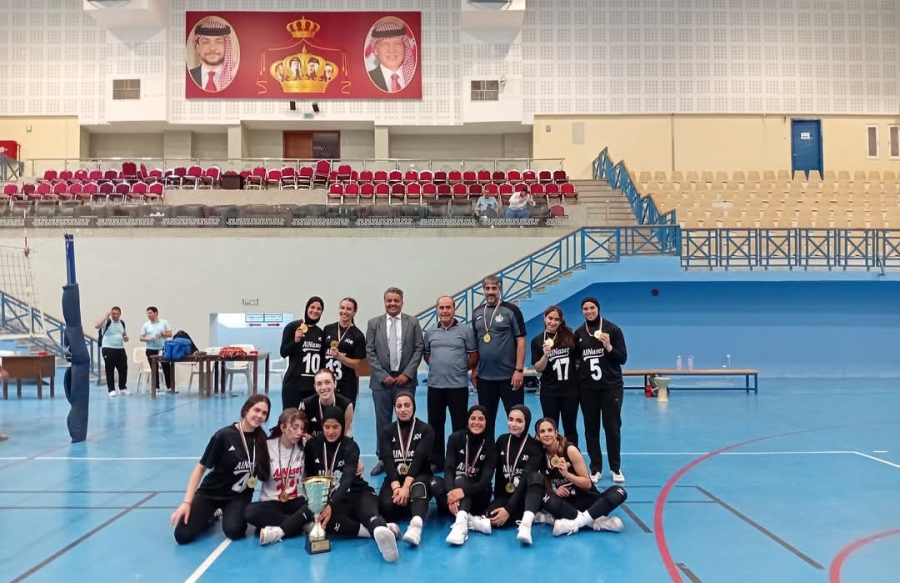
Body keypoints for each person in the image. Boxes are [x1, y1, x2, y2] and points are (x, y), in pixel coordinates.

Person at [171, 395, 272, 544]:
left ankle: (225, 513)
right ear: (246, 410)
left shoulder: (263, 440)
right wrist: (186, 502)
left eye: (264, 413)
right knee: (182, 535)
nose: (259, 416)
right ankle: (211, 515)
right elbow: (200, 468)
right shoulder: (224, 436)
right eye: (256, 410)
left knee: (234, 531)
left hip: (238, 497)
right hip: (211, 493)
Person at [304, 406, 401, 562]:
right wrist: (324, 503)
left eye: (335, 427)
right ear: (322, 426)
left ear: (343, 426)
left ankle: (380, 531)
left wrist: (331, 503)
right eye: (327, 427)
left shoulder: (350, 446)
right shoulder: (312, 446)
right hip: (333, 501)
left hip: (359, 493)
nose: (330, 431)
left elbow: (347, 478)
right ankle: (376, 531)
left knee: (367, 512)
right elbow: (309, 477)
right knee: (321, 520)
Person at [365, 287, 424, 476]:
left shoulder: (413, 322)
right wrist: (383, 375)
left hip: (405, 381)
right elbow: (370, 351)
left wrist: (407, 373)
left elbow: (419, 348)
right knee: (382, 422)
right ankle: (383, 459)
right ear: (385, 302)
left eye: (396, 300)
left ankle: (407, 456)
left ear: (402, 302)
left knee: (406, 419)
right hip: (381, 383)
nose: (392, 303)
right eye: (389, 300)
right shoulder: (374, 323)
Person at [534, 417, 627, 536]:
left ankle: (574, 523)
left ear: (556, 432)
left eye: (550, 430)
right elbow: (546, 485)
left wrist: (567, 475)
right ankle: (594, 522)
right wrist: (555, 491)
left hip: (588, 499)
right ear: (538, 436)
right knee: (547, 499)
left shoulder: (570, 450)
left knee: (619, 492)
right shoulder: (542, 456)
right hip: (568, 503)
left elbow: (587, 484)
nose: (547, 434)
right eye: (542, 431)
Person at [377, 392, 441, 546]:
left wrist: (406, 487)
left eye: (407, 405)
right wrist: (396, 487)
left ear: (413, 407)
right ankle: (408, 506)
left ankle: (415, 527)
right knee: (387, 507)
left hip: (419, 475)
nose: (403, 409)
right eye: (399, 406)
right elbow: (387, 461)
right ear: (395, 409)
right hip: (395, 479)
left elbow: (418, 459)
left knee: (418, 489)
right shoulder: (386, 431)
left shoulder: (425, 430)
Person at [575, 297, 627, 484]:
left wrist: (608, 346)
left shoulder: (613, 330)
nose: (589, 311)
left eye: (592, 308)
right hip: (588, 389)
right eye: (585, 308)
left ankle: (615, 468)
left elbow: (622, 358)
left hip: (611, 387)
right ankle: (595, 468)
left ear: (598, 309)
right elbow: (576, 361)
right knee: (591, 429)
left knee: (612, 428)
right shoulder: (579, 333)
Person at [424, 295, 478, 471]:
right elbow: (427, 355)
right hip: (435, 386)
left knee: (460, 426)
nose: (445, 311)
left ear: (454, 309)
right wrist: (438, 366)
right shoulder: (430, 332)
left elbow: (473, 355)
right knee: (435, 425)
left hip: (458, 387)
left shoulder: (465, 331)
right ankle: (437, 461)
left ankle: (459, 460)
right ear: (437, 310)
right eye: (441, 308)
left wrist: (461, 368)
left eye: (448, 307)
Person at [244, 408, 313, 546]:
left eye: (302, 428)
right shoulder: (267, 446)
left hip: (296, 501)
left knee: (314, 507)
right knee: (250, 512)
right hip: (271, 501)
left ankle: (279, 530)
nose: (299, 432)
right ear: (283, 427)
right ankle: (298, 524)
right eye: (295, 427)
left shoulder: (305, 446)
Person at [471, 275, 527, 439]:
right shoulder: (477, 313)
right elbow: (475, 344)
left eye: (494, 288)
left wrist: (518, 370)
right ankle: (488, 454)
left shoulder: (511, 310)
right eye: (487, 288)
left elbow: (521, 340)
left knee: (517, 420)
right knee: (486, 423)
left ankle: (518, 453)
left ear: (500, 290)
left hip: (510, 377)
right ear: (483, 290)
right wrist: (474, 369)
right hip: (485, 378)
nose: (490, 292)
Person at [487, 405, 543, 545]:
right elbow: (491, 467)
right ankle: (532, 517)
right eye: (510, 419)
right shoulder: (502, 440)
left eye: (519, 421)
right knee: (492, 516)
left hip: (524, 496)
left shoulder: (534, 447)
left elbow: (524, 480)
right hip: (504, 495)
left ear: (526, 423)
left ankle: (529, 517)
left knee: (505, 516)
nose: (513, 424)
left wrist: (508, 509)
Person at [441, 405, 497, 545]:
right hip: (455, 496)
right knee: (434, 482)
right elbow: (448, 469)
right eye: (473, 418)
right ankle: (469, 520)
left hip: (479, 495)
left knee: (460, 478)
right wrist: (452, 494)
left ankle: (460, 527)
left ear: (486, 422)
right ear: (467, 421)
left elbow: (484, 482)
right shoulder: (455, 438)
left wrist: (462, 492)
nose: (476, 422)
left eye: (481, 419)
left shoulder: (490, 445)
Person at [531, 306, 580, 446]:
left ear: (561, 321)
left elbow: (578, 361)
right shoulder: (537, 341)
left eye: (556, 319)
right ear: (544, 318)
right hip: (549, 392)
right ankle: (551, 455)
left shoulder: (569, 337)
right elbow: (538, 368)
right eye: (550, 318)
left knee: (570, 427)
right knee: (550, 427)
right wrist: (545, 356)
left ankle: (571, 455)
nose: (553, 322)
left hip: (570, 392)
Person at [280, 297, 326, 410]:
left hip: (312, 387)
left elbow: (322, 360)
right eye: (312, 307)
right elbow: (283, 352)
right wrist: (295, 340)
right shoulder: (293, 327)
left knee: (310, 420)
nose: (315, 311)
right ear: (306, 308)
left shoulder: (320, 333)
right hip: (293, 385)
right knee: (291, 418)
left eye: (319, 309)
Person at [322, 297, 367, 406]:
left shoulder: (358, 335)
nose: (344, 311)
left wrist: (340, 357)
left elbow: (358, 364)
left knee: (345, 414)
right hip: (327, 384)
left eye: (348, 309)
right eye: (342, 308)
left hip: (347, 385)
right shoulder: (328, 329)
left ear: (354, 312)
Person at [300, 369, 354, 438]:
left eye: (327, 382)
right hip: (313, 443)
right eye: (319, 384)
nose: (323, 387)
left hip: (338, 442)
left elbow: (344, 436)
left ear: (335, 384)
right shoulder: (306, 404)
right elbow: (301, 432)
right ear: (315, 387)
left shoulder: (346, 405)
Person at [366, 21, 417, 93]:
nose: (392, 50)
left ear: (405, 47)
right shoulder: (366, 79)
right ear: (375, 51)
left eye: (397, 43)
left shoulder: (416, 77)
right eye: (385, 44)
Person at [188, 19, 237, 92]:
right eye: (205, 42)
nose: (212, 48)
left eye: (218, 42)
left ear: (227, 46)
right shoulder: (189, 76)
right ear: (198, 48)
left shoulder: (234, 76)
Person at [96, 306, 129, 397]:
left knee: (123, 368)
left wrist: (126, 338)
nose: (115, 315)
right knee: (109, 369)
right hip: (108, 349)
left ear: (120, 314)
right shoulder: (107, 322)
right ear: (111, 314)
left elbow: (124, 335)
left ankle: (123, 387)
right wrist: (105, 317)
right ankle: (111, 389)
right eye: (113, 314)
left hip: (120, 349)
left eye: (117, 314)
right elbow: (97, 326)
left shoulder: (122, 323)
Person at [141, 306, 174, 394]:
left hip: (162, 348)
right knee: (154, 368)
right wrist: (149, 339)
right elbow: (141, 337)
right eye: (147, 313)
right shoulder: (146, 325)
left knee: (166, 367)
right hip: (150, 349)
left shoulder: (164, 322)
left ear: (156, 313)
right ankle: (156, 387)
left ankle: (170, 386)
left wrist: (162, 334)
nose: (148, 315)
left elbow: (170, 334)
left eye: (150, 313)